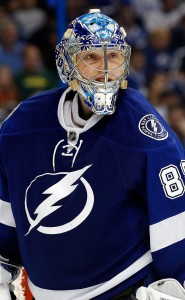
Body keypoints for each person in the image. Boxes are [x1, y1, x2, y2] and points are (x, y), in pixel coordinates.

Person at [0, 8, 185, 300]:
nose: (106, 70)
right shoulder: (23, 124)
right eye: (91, 57)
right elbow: (6, 214)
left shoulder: (141, 127)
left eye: (113, 56)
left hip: (123, 290)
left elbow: (176, 216)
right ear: (67, 62)